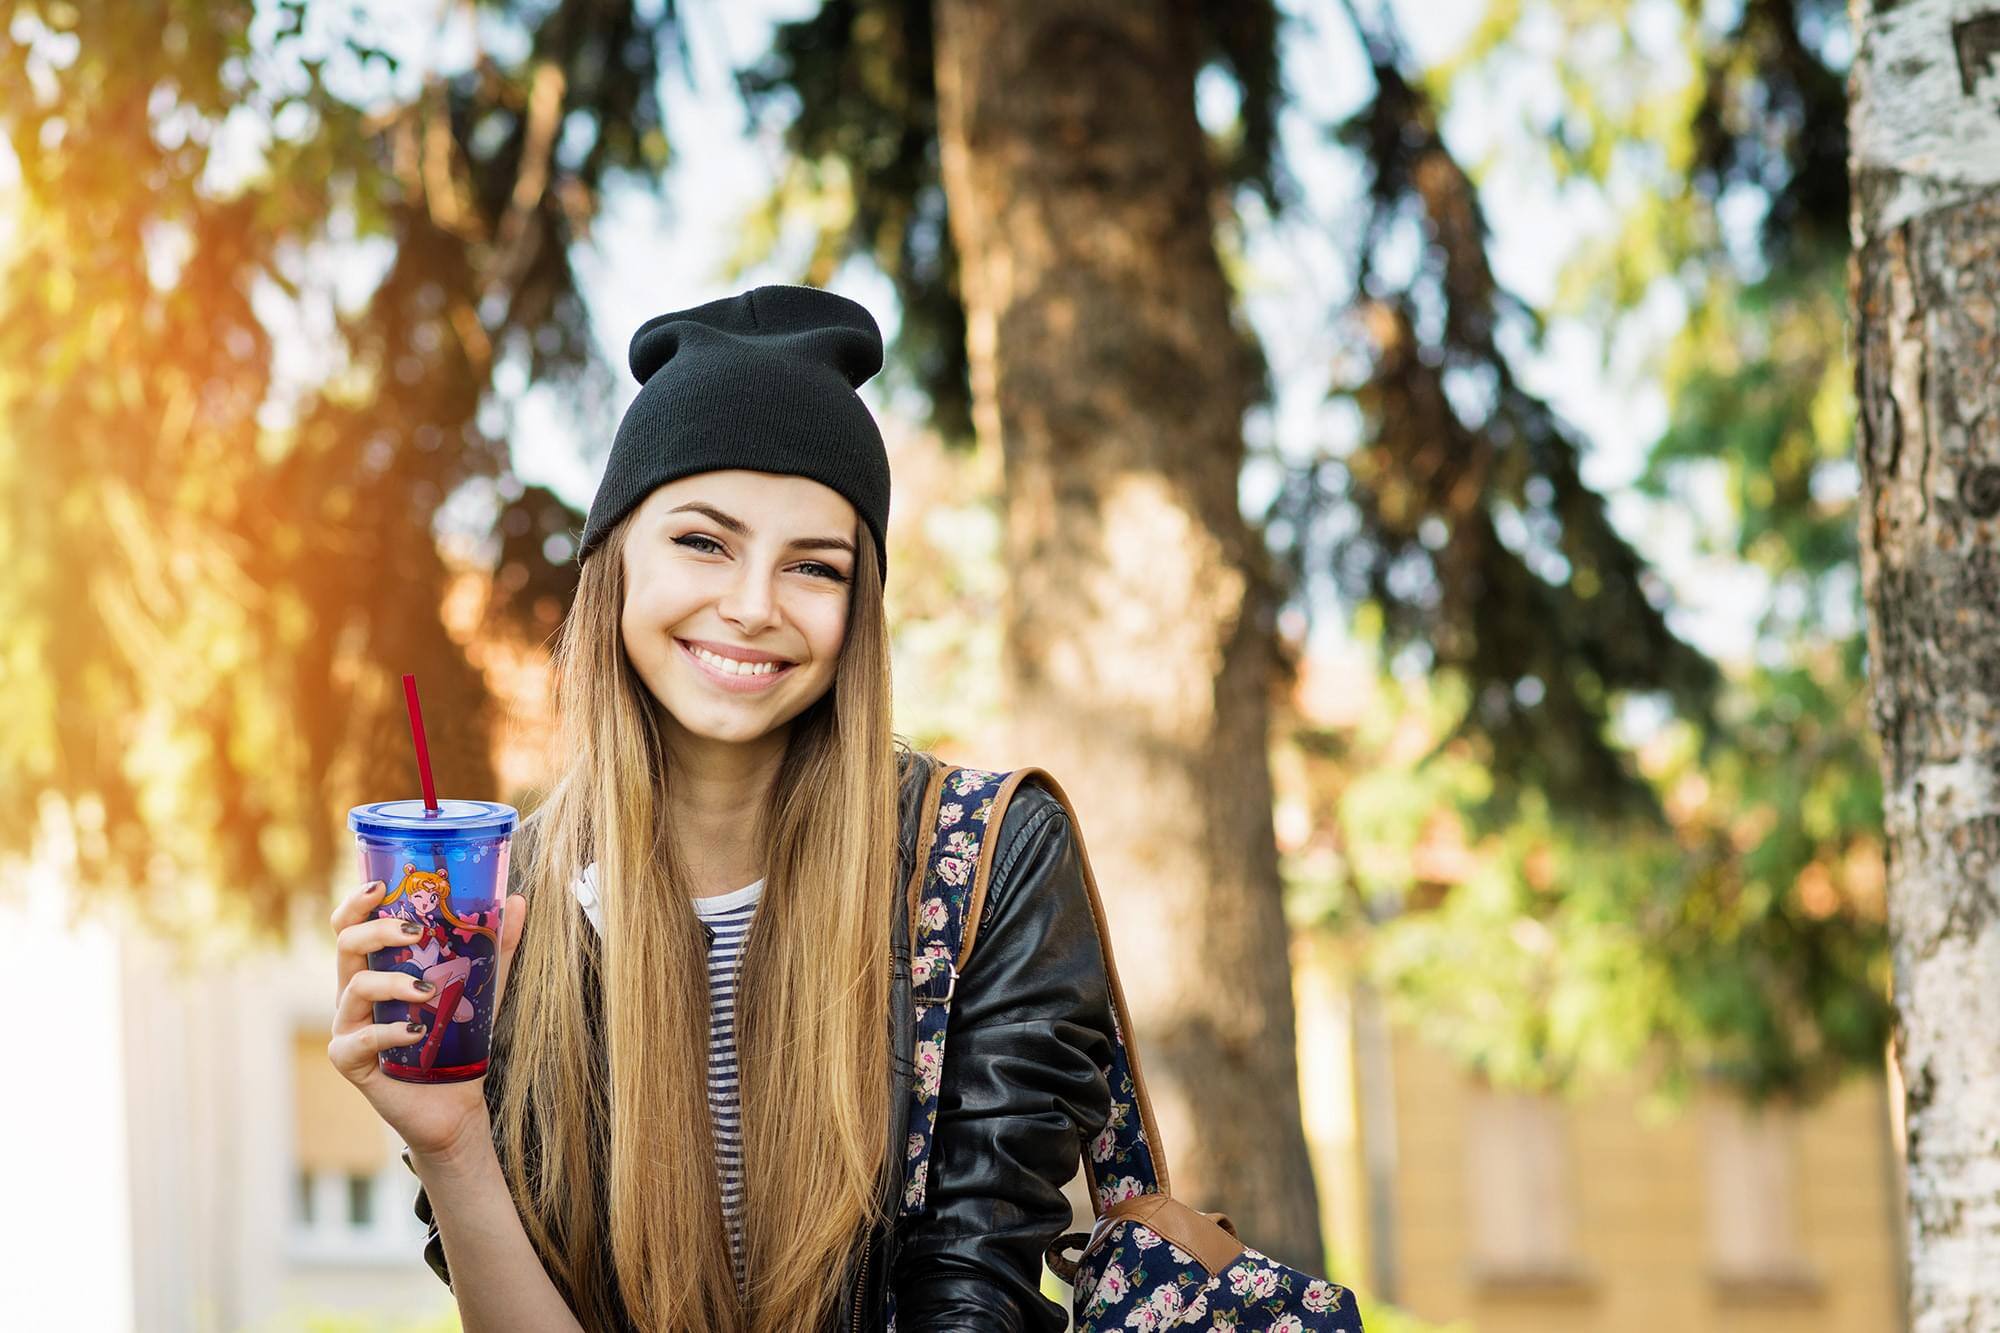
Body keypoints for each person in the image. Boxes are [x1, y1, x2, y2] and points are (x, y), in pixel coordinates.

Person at [326, 284, 1117, 1332]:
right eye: (703, 542)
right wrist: (453, 1144)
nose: (752, 605)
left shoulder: (984, 865)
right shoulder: (502, 913)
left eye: (814, 566)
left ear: (858, 610)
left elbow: (977, 1292)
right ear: (615, 562)